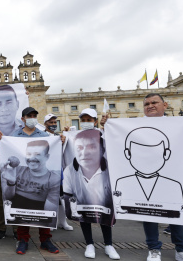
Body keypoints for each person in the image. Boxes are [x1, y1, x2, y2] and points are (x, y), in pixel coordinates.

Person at [101, 93, 183, 261]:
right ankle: (154, 249)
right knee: (148, 213)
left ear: (165, 105)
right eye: (146, 103)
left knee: (177, 212)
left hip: (172, 176)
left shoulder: (180, 124)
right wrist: (107, 127)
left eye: (154, 102)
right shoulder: (133, 126)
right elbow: (112, 144)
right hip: (139, 182)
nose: (150, 105)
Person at [0, 107, 60, 255]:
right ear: (23, 118)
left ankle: (45, 240)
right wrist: (0, 142)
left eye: (34, 116)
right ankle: (23, 240)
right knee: (21, 207)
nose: (32, 118)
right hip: (22, 176)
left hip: (42, 180)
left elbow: (55, 147)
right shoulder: (14, 135)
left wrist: (61, 140)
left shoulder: (44, 135)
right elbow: (7, 149)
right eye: (29, 116)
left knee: (44, 211)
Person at [62, 109, 120, 259]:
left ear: (95, 120)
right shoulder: (74, 137)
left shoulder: (103, 134)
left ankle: (109, 245)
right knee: (84, 213)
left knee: (105, 212)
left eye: (90, 119)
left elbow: (116, 142)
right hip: (80, 182)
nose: (86, 121)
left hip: (102, 179)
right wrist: (63, 139)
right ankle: (89, 244)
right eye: (84, 119)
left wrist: (107, 127)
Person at [44, 113, 73, 232]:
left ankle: (63, 222)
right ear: (45, 124)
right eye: (50, 122)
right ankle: (51, 221)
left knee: (61, 199)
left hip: (59, 172)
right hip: (47, 172)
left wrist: (66, 136)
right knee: (50, 198)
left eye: (55, 122)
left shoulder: (58, 136)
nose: (53, 124)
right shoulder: (41, 136)